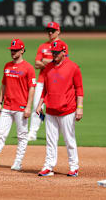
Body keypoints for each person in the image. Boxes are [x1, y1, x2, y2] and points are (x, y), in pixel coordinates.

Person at [0, 39, 36, 171]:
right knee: (0, 134)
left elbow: (32, 88)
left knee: (22, 136)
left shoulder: (28, 68)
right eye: (11, 50)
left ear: (22, 50)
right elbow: (3, 85)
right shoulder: (7, 66)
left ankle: (18, 162)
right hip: (7, 106)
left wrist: (28, 107)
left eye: (15, 50)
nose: (13, 52)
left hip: (21, 107)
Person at [36, 40, 83, 177]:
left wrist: (79, 107)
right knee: (50, 141)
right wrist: (40, 104)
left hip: (67, 110)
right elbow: (45, 89)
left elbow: (79, 89)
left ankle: (74, 166)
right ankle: (48, 166)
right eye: (53, 52)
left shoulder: (73, 67)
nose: (54, 54)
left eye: (57, 52)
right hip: (51, 109)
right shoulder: (48, 68)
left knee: (69, 140)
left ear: (64, 52)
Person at [28, 22, 69, 141]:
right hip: (42, 81)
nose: (50, 33)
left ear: (58, 31)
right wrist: (51, 62)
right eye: (48, 31)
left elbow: (63, 63)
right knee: (36, 105)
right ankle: (32, 132)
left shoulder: (63, 45)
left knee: (57, 106)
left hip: (57, 82)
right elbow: (36, 64)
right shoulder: (42, 46)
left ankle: (57, 131)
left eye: (52, 30)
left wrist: (45, 61)